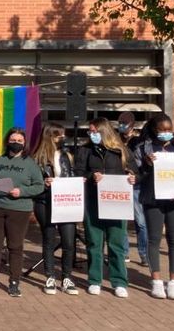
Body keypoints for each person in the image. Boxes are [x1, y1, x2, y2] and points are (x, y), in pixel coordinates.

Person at [135, 113, 174, 300]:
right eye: (162, 130)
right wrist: (146, 165)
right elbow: (136, 176)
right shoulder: (143, 148)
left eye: (169, 130)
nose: (166, 133)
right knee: (153, 239)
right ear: (154, 130)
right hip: (153, 199)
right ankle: (157, 281)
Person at [0, 127, 44, 297]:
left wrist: (21, 191)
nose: (16, 143)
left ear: (24, 143)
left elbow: (39, 186)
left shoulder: (30, 164)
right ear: (7, 141)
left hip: (19, 210)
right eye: (13, 140)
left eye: (19, 141)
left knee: (15, 247)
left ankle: (14, 282)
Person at [75, 117, 137, 298]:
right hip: (93, 202)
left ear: (105, 132)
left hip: (116, 202)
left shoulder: (121, 150)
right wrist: (91, 175)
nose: (92, 135)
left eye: (95, 132)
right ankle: (95, 280)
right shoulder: (85, 151)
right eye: (90, 132)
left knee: (116, 244)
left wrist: (134, 178)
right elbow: (78, 172)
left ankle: (119, 281)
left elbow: (135, 172)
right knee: (94, 243)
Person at [30, 122, 79, 295]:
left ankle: (67, 277)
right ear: (50, 137)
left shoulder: (67, 156)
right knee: (49, 239)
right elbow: (31, 182)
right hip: (45, 202)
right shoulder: (37, 158)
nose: (62, 139)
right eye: (59, 136)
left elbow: (73, 175)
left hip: (66, 202)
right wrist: (43, 183)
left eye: (63, 135)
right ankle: (49, 276)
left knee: (68, 241)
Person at [118, 111, 148, 267]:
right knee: (122, 220)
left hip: (136, 184)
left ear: (132, 125)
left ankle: (144, 253)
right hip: (121, 184)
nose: (122, 126)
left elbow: (144, 164)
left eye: (125, 124)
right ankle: (124, 252)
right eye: (120, 123)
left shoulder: (139, 142)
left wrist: (138, 175)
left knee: (141, 221)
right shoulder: (116, 140)